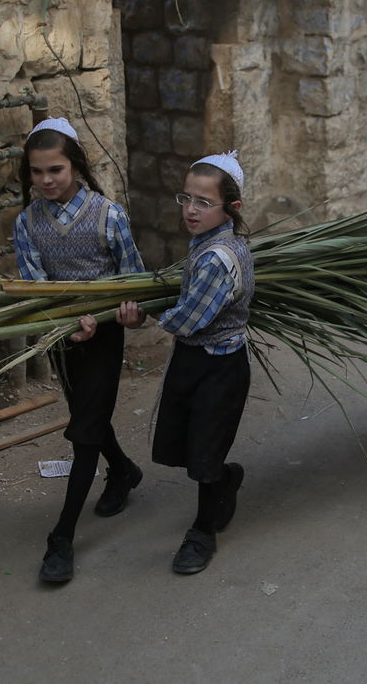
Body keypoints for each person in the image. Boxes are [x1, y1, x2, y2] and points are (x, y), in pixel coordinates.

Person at [13, 117, 146, 584]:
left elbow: (133, 282)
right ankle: (125, 470)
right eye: (37, 172)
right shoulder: (26, 223)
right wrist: (68, 323)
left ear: (76, 167)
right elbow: (35, 288)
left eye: (56, 170)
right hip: (61, 336)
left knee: (84, 430)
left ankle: (62, 538)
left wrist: (110, 316)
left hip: (104, 334)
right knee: (87, 415)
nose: (47, 181)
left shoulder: (109, 215)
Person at [111, 151, 254, 575]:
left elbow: (189, 321)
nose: (190, 210)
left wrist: (146, 315)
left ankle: (202, 533)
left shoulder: (217, 258)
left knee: (205, 455)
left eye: (203, 202)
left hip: (219, 368)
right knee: (189, 444)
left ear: (232, 208)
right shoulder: (208, 244)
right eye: (186, 198)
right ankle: (227, 479)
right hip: (194, 363)